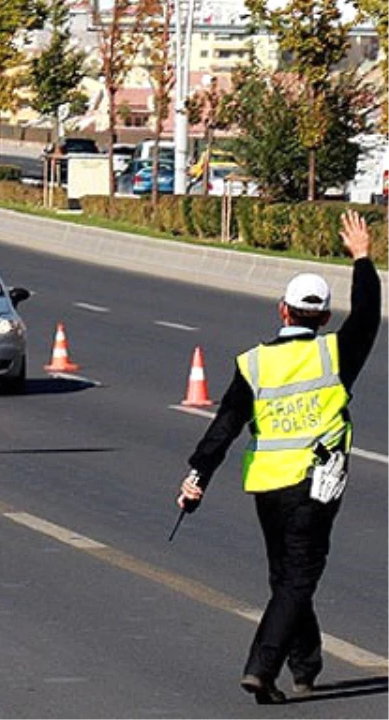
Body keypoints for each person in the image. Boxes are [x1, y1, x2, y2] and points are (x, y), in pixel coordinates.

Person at [177, 210, 380, 704]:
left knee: (287, 576)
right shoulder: (336, 354)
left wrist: (197, 477)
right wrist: (362, 258)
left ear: (282, 311)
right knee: (297, 577)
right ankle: (261, 668)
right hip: (316, 487)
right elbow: (370, 315)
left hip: (268, 488)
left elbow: (224, 425)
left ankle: (305, 665)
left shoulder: (255, 363)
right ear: (324, 319)